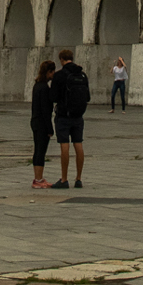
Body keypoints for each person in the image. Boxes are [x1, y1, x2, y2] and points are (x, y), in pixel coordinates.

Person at [51, 49, 89, 188]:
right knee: (78, 144)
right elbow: (88, 97)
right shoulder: (82, 74)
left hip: (63, 116)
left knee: (64, 146)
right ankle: (78, 178)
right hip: (78, 116)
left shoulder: (59, 75)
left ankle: (64, 179)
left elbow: (53, 97)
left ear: (61, 59)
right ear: (72, 58)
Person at [29, 60, 57, 188]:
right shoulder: (45, 88)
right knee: (41, 151)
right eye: (52, 72)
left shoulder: (37, 85)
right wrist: (50, 128)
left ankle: (38, 178)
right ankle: (38, 180)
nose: (53, 74)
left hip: (35, 121)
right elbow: (46, 110)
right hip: (42, 123)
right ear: (48, 72)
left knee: (37, 150)